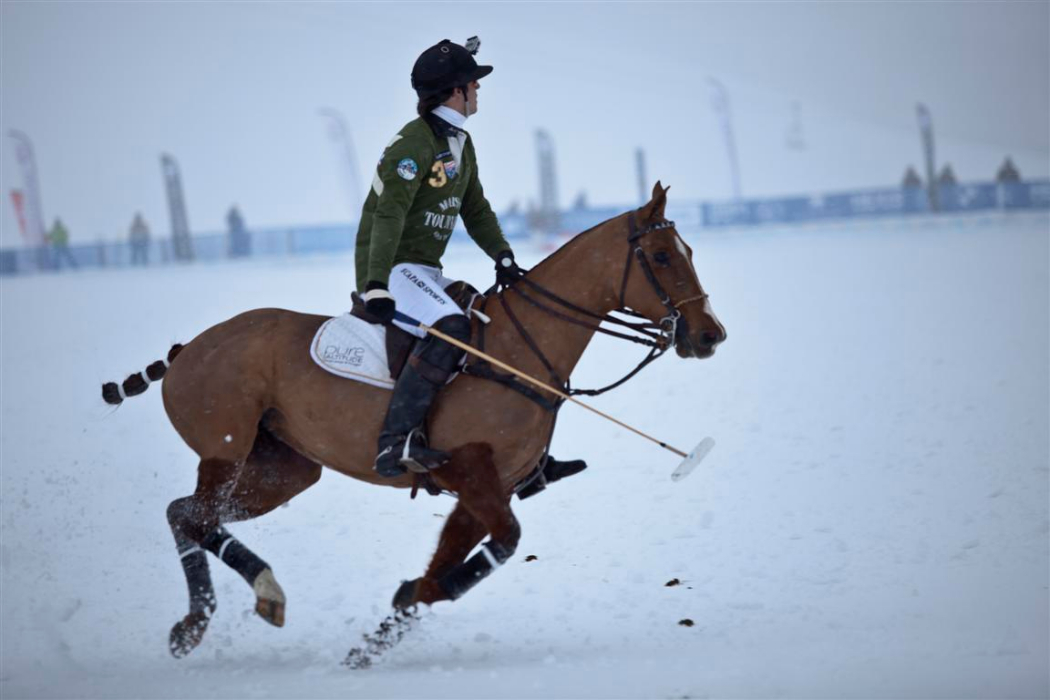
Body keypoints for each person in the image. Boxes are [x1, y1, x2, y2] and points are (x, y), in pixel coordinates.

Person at [356, 37, 586, 489]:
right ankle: (395, 441)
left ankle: (524, 459)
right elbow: (389, 215)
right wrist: (376, 282)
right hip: (393, 268)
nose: (478, 90)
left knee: (489, 322)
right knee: (451, 326)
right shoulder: (413, 144)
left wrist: (502, 255)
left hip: (425, 270)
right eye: (473, 83)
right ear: (455, 91)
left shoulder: (460, 141)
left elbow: (475, 208)